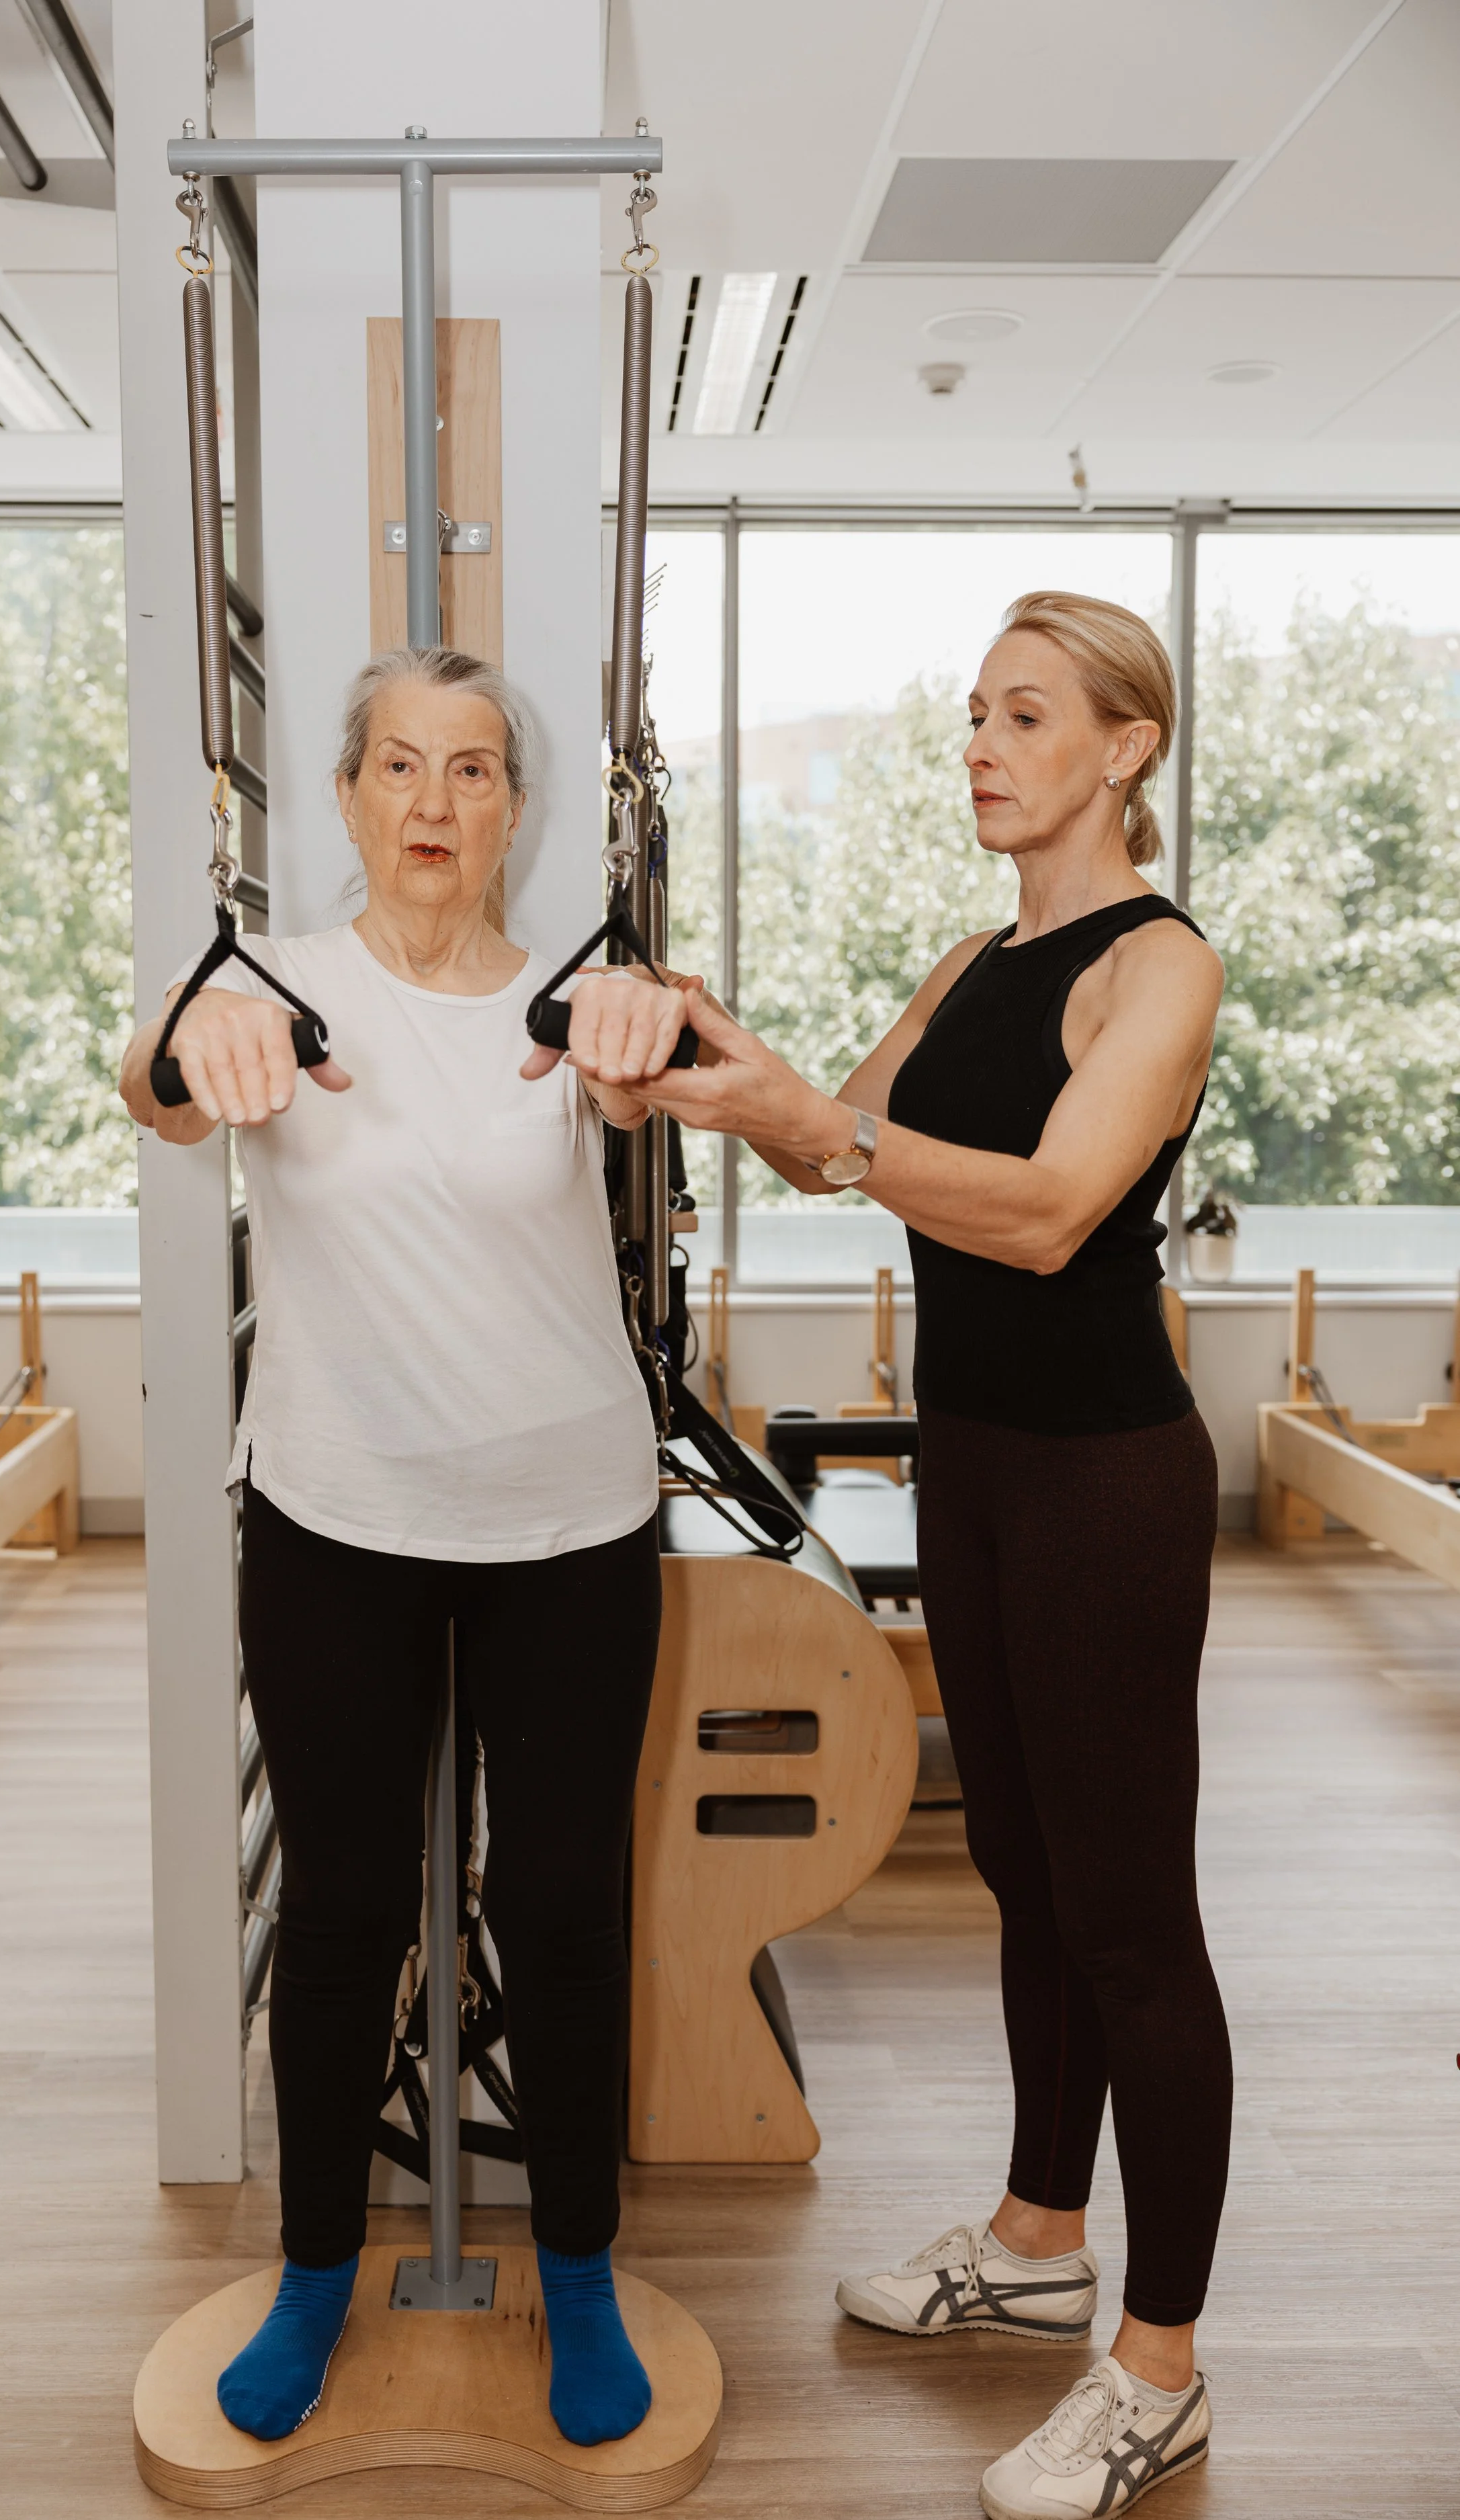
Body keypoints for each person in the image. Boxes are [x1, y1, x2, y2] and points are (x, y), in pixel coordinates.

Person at [554, 592, 1231, 2520]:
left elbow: (1038, 1210)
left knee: (1131, 1915)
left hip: (1105, 1475)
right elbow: (816, 1132)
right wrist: (690, 1054)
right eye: (968, 716)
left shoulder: (1154, 966)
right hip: (980, 1460)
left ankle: (1159, 2366)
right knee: (1020, 1864)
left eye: (1024, 716)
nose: (980, 747)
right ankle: (1034, 2237)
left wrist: (811, 1123)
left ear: (1121, 748)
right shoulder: (970, 958)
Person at [119, 644, 670, 2451]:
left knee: (562, 1911)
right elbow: (158, 1082)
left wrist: (664, 1021)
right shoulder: (270, 986)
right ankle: (312, 2271)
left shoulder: (585, 997)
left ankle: (576, 2273)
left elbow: (678, 1047)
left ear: (517, 807)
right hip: (338, 1517)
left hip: (569, 1522)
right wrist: (172, 1037)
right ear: (346, 792)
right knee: (344, 1913)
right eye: (402, 766)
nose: (436, 803)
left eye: (476, 770)